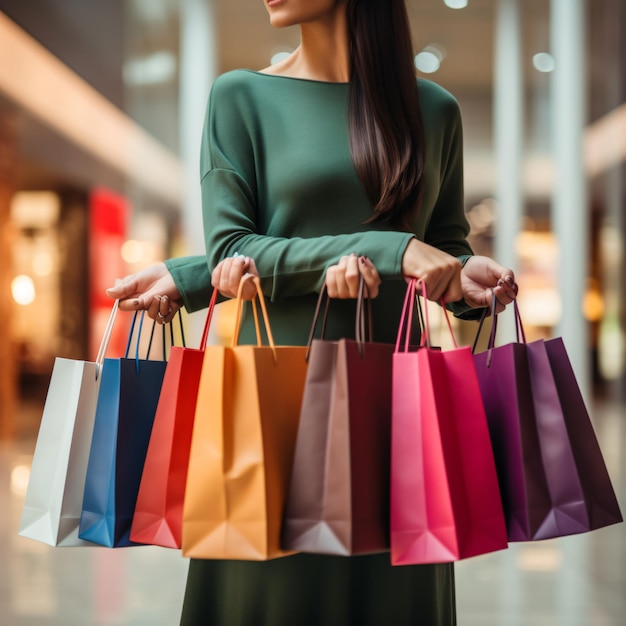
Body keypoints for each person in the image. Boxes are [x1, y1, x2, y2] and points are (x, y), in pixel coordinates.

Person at [107, 0, 518, 624]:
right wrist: (393, 251)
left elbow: (444, 250)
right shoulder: (239, 96)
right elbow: (235, 249)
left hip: (397, 419)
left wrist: (465, 281)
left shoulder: (436, 112)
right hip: (270, 415)